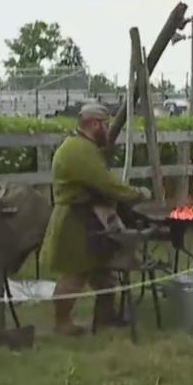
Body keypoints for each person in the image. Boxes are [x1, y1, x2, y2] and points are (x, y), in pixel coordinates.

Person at [41, 103, 151, 336]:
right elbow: (106, 183)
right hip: (74, 221)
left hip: (87, 217)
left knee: (101, 272)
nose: (108, 129)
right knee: (74, 274)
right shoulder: (79, 150)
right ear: (94, 124)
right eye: (105, 124)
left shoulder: (83, 147)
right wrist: (137, 194)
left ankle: (105, 318)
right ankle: (61, 323)